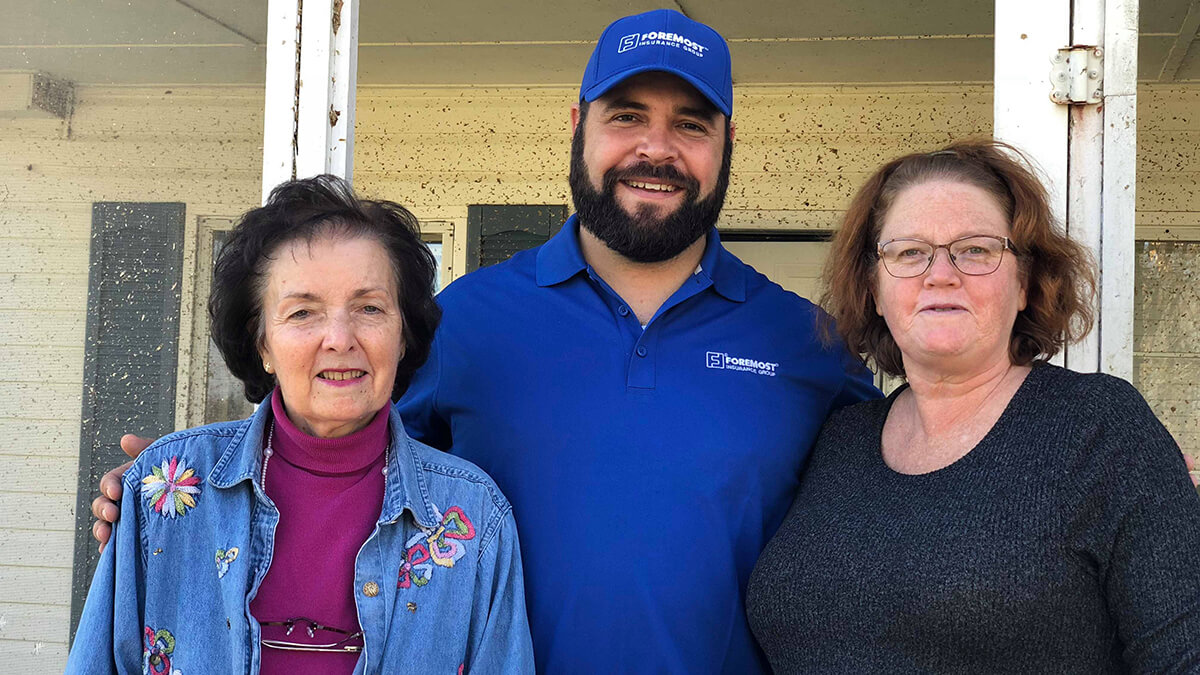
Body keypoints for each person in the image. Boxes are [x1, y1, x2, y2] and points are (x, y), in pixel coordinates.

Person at [90, 9, 877, 672]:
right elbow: (340, 452)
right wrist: (188, 491)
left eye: (691, 124)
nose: (656, 148)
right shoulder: (467, 319)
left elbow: (900, 489)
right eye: (626, 115)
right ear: (579, 126)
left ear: (728, 141)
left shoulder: (806, 344)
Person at [745, 140, 1200, 672]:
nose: (940, 273)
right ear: (873, 289)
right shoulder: (840, 438)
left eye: (977, 250)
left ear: (1025, 282)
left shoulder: (1099, 429)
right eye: (909, 252)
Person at [68, 176, 533, 673]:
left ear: (403, 335)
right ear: (262, 343)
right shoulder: (165, 487)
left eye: (369, 308)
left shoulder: (473, 515)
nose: (339, 338)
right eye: (303, 312)